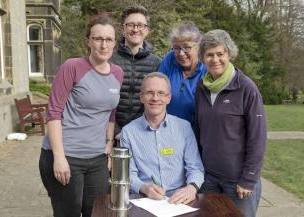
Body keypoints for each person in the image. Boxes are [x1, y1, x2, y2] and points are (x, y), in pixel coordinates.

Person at [39, 16, 124, 217]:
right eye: (98, 39)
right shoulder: (72, 67)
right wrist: (59, 158)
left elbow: (110, 112)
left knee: (98, 211)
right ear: (88, 41)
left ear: (114, 42)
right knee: (68, 212)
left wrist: (109, 144)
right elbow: (53, 112)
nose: (104, 45)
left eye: (109, 39)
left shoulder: (118, 73)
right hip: (66, 155)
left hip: (97, 159)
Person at [195, 29, 267, 217]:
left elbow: (257, 138)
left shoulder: (246, 88)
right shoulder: (202, 88)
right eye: (209, 55)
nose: (215, 59)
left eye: (220, 54)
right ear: (202, 58)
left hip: (237, 181)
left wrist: (249, 179)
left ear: (229, 54)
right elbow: (199, 130)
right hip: (209, 177)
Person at [121, 72, 204, 204]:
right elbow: (127, 174)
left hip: (181, 199)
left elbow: (195, 167)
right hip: (144, 199)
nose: (155, 98)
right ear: (141, 97)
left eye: (161, 93)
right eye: (150, 92)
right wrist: (144, 187)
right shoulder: (128, 132)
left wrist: (191, 188)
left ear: (169, 98)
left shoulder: (184, 127)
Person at [110, 5, 161, 134]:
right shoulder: (109, 59)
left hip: (143, 131)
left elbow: (157, 101)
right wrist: (115, 130)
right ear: (123, 29)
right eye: (131, 25)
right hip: (108, 130)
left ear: (147, 30)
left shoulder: (157, 63)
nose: (135, 29)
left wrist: (134, 130)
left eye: (140, 25)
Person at [158, 21, 207, 126]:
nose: (181, 53)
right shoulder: (169, 59)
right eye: (176, 48)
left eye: (187, 47)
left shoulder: (207, 69)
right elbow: (157, 90)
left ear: (198, 47)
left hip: (194, 133)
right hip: (165, 129)